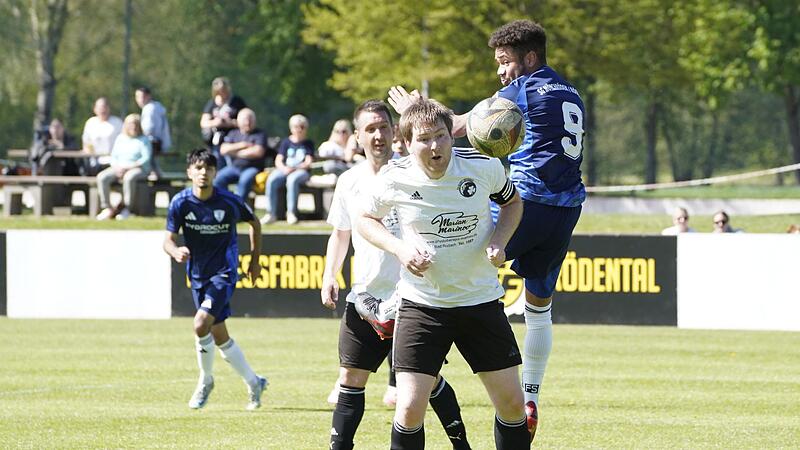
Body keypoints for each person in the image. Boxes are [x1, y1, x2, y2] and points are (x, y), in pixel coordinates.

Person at [388, 20, 585, 441]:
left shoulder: (524, 89)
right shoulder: (571, 91)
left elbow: (462, 127)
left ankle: (391, 311)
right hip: (567, 209)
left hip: (526, 202)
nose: (500, 72)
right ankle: (530, 395)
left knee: (450, 243)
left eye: (505, 62)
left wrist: (419, 109)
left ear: (529, 59)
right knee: (539, 306)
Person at [358, 98, 528, 448]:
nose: (435, 146)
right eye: (424, 139)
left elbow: (512, 203)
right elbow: (364, 220)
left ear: (452, 136)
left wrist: (499, 240)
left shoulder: (483, 167)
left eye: (441, 136)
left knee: (512, 405)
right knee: (408, 408)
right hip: (422, 305)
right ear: (405, 143)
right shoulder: (394, 178)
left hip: (479, 301)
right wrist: (401, 249)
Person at [321, 100, 472, 450]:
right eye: (370, 129)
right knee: (350, 377)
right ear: (357, 136)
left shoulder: (412, 172)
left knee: (426, 382)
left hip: (413, 298)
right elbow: (341, 233)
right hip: (365, 296)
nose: (378, 135)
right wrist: (330, 274)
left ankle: (461, 444)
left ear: (396, 132)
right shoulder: (348, 182)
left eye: (384, 127)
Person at [163, 148, 267, 411]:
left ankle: (205, 380)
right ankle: (255, 382)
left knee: (200, 325)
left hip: (224, 273)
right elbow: (167, 240)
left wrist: (254, 261)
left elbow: (255, 223)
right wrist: (175, 251)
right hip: (197, 276)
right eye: (198, 168)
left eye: (208, 169)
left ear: (215, 173)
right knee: (219, 334)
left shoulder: (228, 201)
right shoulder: (180, 203)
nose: (203, 173)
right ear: (189, 172)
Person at [95, 114, 152, 220]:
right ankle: (107, 208)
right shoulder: (120, 138)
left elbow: (145, 158)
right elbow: (113, 156)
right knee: (102, 177)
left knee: (129, 178)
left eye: (135, 125)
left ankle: (126, 209)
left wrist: (129, 167)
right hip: (119, 167)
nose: (133, 127)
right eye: (131, 125)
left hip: (138, 168)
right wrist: (117, 167)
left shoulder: (144, 140)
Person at [261, 114, 314, 225]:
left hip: (301, 172)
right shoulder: (286, 142)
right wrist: (284, 168)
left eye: (302, 127)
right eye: (296, 127)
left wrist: (295, 168)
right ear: (291, 128)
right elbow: (278, 160)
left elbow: (308, 162)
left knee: (292, 180)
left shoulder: (308, 144)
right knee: (272, 179)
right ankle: (270, 213)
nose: (299, 129)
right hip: (285, 169)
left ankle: (291, 213)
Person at [212, 108, 268, 201]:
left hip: (252, 168)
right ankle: (226, 202)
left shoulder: (260, 134)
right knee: (218, 179)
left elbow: (258, 152)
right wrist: (243, 145)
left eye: (250, 119)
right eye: (245, 120)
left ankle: (238, 206)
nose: (248, 122)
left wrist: (235, 152)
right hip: (234, 167)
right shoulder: (233, 133)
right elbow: (223, 149)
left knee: (244, 182)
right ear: (239, 121)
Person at [200, 77, 248, 169]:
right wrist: (216, 122)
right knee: (217, 163)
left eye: (224, 90)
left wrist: (230, 123)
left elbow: (247, 119)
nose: (222, 94)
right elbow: (203, 122)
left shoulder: (237, 102)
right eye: (219, 91)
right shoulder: (212, 103)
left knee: (231, 164)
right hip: (216, 140)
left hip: (233, 139)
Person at [135, 86, 172, 178]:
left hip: (154, 143)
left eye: (142, 97)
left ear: (148, 96)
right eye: (137, 97)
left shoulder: (149, 109)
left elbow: (148, 129)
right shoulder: (155, 107)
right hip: (158, 143)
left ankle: (149, 174)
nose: (140, 100)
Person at [82, 97, 123, 174]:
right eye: (100, 107)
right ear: (95, 109)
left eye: (104, 107)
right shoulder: (90, 123)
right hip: (94, 162)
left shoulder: (117, 122)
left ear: (109, 108)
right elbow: (86, 142)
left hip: (112, 161)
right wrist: (88, 151)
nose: (102, 110)